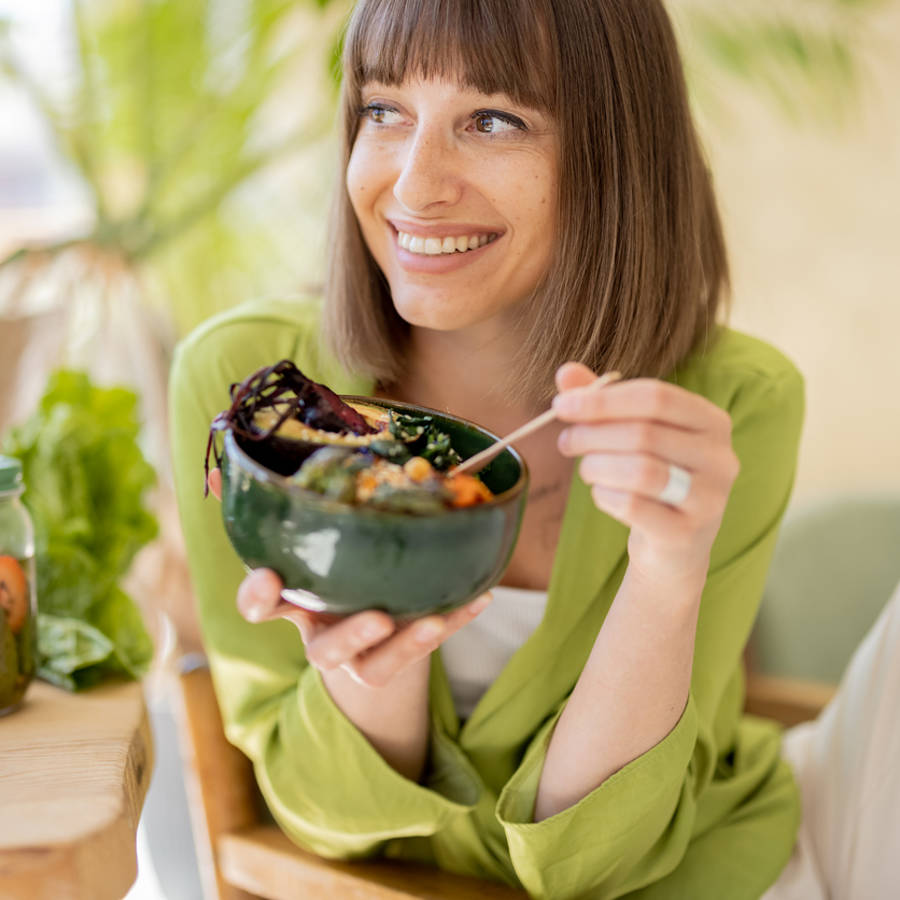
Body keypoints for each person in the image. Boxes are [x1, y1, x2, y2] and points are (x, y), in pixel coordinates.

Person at [169, 1, 898, 897]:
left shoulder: (729, 404)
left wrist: (667, 574)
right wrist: (372, 663)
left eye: (493, 119)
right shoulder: (249, 390)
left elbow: (604, 859)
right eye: (384, 110)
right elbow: (323, 819)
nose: (412, 186)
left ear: (614, 159)